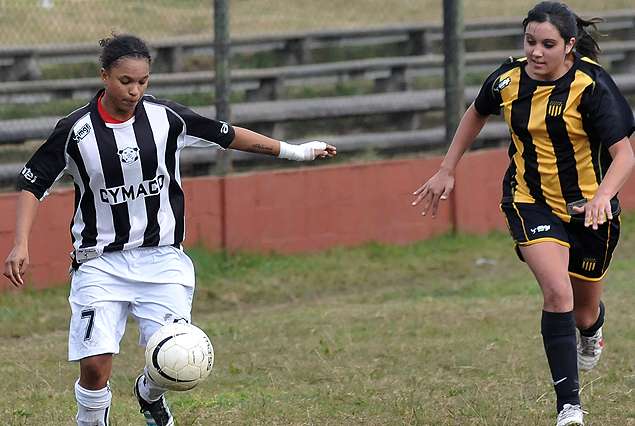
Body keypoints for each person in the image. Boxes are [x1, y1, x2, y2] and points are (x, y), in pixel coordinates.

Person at [3, 33, 336, 426]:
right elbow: (33, 184)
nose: (135, 90)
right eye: (126, 81)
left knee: (175, 354)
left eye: (143, 81)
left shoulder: (167, 118)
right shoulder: (76, 129)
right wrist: (20, 243)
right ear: (105, 76)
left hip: (162, 260)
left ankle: (148, 393)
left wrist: (296, 150)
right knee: (93, 366)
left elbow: (228, 136)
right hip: (99, 263)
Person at [412, 2, 634, 425]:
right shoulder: (508, 78)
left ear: (569, 46)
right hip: (529, 200)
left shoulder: (590, 85)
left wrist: (603, 196)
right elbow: (477, 111)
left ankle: (592, 330)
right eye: (530, 41)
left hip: (589, 211)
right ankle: (569, 408)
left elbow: (624, 155)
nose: (536, 51)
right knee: (557, 293)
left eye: (548, 44)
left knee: (583, 312)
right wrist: (446, 169)